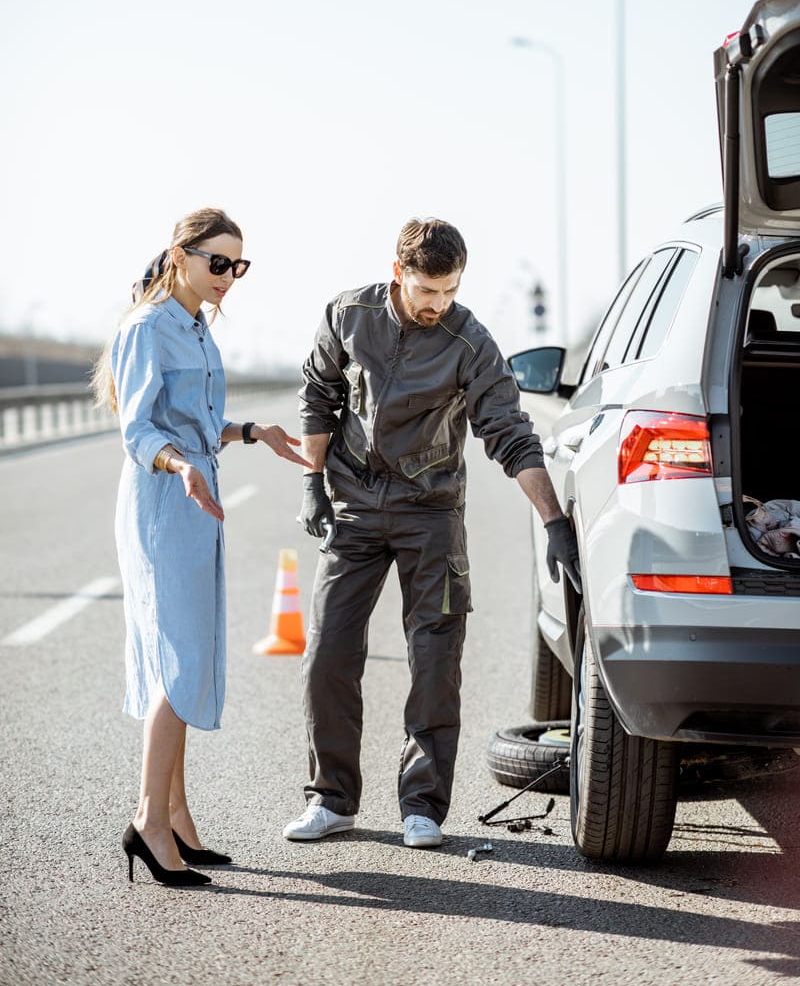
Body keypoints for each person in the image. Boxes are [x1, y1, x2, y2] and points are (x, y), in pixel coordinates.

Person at [283, 217, 580, 849]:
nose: (438, 305)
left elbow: (509, 431)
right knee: (328, 653)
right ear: (399, 274)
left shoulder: (469, 341)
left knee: (435, 660)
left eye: (449, 291)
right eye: (427, 292)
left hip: (431, 510)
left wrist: (553, 521)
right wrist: (313, 480)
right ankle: (331, 799)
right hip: (355, 508)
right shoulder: (348, 314)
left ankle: (422, 804)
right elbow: (319, 394)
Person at [93, 207, 310, 887]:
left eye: (237, 266)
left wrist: (251, 431)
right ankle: (148, 822)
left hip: (197, 504)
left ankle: (178, 817)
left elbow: (198, 426)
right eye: (217, 262)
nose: (228, 278)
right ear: (179, 255)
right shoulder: (147, 328)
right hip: (164, 505)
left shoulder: (196, 328)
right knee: (180, 665)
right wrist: (180, 467)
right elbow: (140, 432)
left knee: (187, 658)